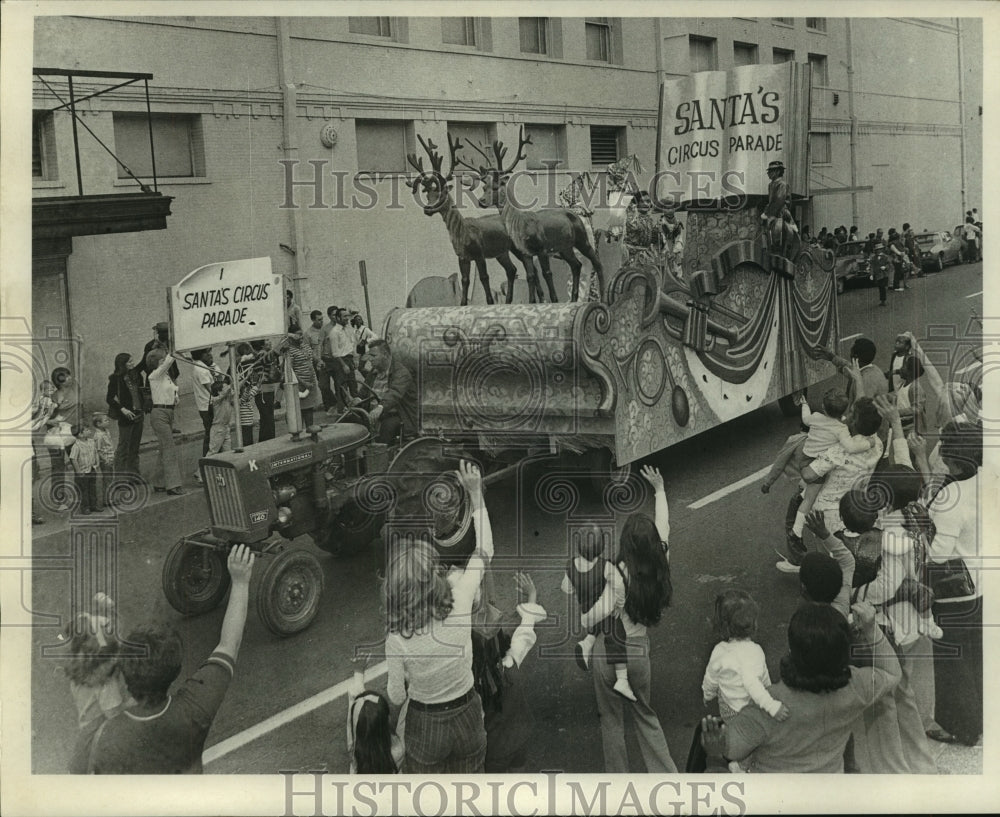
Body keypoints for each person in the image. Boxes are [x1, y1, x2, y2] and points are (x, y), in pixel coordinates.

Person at [70, 545, 255, 774]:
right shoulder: (194, 707)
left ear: (124, 676)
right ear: (175, 670)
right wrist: (240, 582)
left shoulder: (104, 738)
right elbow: (229, 644)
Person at [699, 601, 901, 773]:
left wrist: (714, 751)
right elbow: (893, 673)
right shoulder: (857, 686)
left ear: (791, 650)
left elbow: (732, 750)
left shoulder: (768, 706)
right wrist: (871, 629)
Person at [384, 461, 493, 773]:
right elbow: (485, 549)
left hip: (426, 721)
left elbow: (396, 695)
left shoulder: (396, 637)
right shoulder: (459, 600)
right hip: (467, 712)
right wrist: (475, 494)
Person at [580, 464, 677, 773]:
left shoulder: (617, 574)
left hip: (608, 652)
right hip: (638, 651)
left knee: (610, 721)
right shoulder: (661, 561)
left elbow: (595, 614)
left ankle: (619, 784)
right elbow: (664, 526)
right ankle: (667, 778)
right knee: (645, 715)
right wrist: (659, 490)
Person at [913, 420, 983, 747]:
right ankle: (981, 717)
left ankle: (962, 727)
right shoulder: (988, 481)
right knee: (977, 657)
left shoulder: (950, 495)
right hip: (984, 582)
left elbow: (938, 555)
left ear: (953, 460)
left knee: (953, 663)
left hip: (956, 591)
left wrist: (923, 528)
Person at [778, 388, 876, 549]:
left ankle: (796, 531)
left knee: (805, 495)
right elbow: (850, 447)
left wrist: (804, 404)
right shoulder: (843, 430)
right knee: (809, 498)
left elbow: (805, 418)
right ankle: (796, 531)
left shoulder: (816, 418)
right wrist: (868, 444)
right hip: (817, 464)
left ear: (823, 407)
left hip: (805, 458)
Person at [471, 571, 547, 773]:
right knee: (519, 779)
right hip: (520, 739)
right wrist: (531, 596)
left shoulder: (474, 686)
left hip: (494, 752)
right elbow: (525, 631)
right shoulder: (511, 660)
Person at [562, 524, 635, 701]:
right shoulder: (606, 566)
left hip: (587, 611)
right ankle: (622, 679)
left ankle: (586, 644)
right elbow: (618, 586)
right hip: (605, 611)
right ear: (601, 546)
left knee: (596, 623)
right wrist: (619, 605)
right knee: (616, 636)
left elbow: (567, 588)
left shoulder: (571, 565)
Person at [702, 590, 790, 724]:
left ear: (723, 626)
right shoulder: (756, 651)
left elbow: (711, 678)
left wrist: (708, 694)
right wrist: (770, 699)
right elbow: (760, 679)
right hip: (753, 707)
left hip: (730, 710)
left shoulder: (719, 651)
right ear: (754, 624)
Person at [57, 593, 131, 731]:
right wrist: (132, 703)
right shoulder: (105, 682)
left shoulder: (80, 664)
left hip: (86, 726)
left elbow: (108, 635)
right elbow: (114, 715)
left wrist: (110, 609)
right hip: (101, 732)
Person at [145, 348, 183, 495]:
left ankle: (159, 482)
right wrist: (174, 351)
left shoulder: (165, 376)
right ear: (156, 364)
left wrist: (175, 397)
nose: (164, 363)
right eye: (161, 361)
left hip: (169, 412)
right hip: (159, 414)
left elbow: (172, 389)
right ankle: (173, 485)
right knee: (169, 449)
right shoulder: (154, 375)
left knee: (164, 449)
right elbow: (168, 362)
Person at [365, 340, 418, 445]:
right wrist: (356, 399)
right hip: (373, 414)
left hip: (397, 414)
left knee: (387, 427)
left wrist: (380, 407)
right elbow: (364, 390)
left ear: (385, 354)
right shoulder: (373, 372)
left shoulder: (401, 373)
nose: (369, 359)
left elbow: (394, 393)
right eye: (369, 355)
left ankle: (378, 457)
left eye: (373, 355)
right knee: (350, 421)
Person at [47, 366, 82, 510]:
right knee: (58, 467)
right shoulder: (54, 398)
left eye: (69, 375)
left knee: (79, 463)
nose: (70, 377)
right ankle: (59, 500)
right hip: (58, 434)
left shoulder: (75, 387)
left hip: (74, 431)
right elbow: (47, 418)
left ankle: (80, 495)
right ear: (59, 382)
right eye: (66, 376)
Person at [346, 690, 404, 774]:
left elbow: (351, 729)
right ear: (387, 720)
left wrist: (351, 703)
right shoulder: (398, 751)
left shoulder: (355, 754)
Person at [106, 353, 144, 478]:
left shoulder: (136, 375)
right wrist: (122, 409)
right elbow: (109, 398)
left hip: (138, 413)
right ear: (122, 365)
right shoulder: (115, 379)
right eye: (129, 362)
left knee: (135, 447)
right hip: (126, 416)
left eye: (132, 361)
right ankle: (120, 477)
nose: (132, 364)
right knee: (124, 447)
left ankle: (134, 475)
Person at [284, 324, 321, 428]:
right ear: (292, 336)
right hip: (299, 385)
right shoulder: (289, 351)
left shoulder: (305, 345)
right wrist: (303, 383)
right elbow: (289, 370)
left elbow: (312, 357)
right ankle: (298, 432)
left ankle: (310, 430)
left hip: (310, 382)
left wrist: (318, 361)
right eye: (299, 335)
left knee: (309, 408)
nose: (301, 337)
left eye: (302, 334)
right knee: (299, 411)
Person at [324, 308, 361, 410]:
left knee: (353, 386)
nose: (347, 318)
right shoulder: (334, 332)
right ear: (338, 318)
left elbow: (351, 346)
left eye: (347, 316)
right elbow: (335, 353)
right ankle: (342, 411)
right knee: (342, 388)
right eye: (344, 316)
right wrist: (343, 365)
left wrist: (355, 359)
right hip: (340, 362)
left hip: (349, 359)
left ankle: (357, 410)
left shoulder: (348, 329)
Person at [189, 349, 219, 470]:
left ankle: (211, 464)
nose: (210, 355)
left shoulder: (201, 366)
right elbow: (212, 390)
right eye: (207, 354)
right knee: (212, 436)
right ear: (201, 356)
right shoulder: (201, 370)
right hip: (207, 406)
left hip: (207, 405)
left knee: (212, 436)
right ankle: (206, 466)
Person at [305, 309, 336, 410]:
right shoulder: (308, 333)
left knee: (338, 382)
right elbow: (309, 350)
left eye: (322, 319)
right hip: (318, 361)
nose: (321, 321)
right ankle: (329, 404)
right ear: (313, 320)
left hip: (331, 359)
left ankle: (339, 403)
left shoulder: (328, 328)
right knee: (324, 385)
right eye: (319, 320)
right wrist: (317, 360)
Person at [69, 426, 99, 514]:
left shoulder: (91, 441)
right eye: (86, 430)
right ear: (80, 434)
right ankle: (85, 507)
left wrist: (97, 463)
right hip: (83, 472)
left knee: (92, 488)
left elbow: (95, 452)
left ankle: (93, 505)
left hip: (92, 469)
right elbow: (73, 459)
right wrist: (78, 471)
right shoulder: (76, 446)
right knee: (84, 490)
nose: (89, 431)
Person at [91, 413, 115, 510]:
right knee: (107, 479)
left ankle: (108, 498)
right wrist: (105, 460)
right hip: (105, 459)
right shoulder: (99, 436)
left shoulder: (106, 431)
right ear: (98, 424)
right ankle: (107, 500)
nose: (108, 421)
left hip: (110, 457)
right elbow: (98, 450)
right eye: (105, 420)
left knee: (109, 478)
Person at [206, 380, 234, 455]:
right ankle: (203, 466)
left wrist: (246, 377)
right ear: (219, 391)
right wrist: (234, 381)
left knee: (228, 452)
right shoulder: (215, 400)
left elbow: (236, 387)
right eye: (225, 387)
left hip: (225, 427)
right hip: (218, 428)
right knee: (213, 452)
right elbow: (228, 390)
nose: (228, 388)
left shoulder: (227, 399)